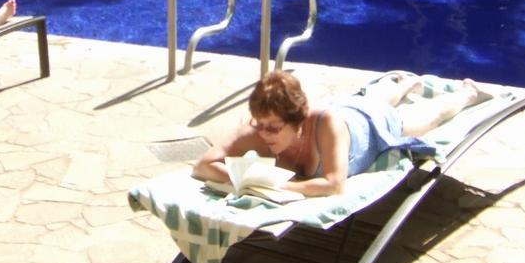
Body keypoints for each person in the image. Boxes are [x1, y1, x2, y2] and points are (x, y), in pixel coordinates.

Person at [193, 70, 489, 197]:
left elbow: (334, 185)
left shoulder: (327, 125)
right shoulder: (259, 127)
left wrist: (277, 187)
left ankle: (468, 93)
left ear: (298, 121)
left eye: (274, 128)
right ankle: (404, 85)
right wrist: (244, 179)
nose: (265, 134)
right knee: (369, 99)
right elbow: (203, 165)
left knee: (426, 118)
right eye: (260, 124)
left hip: (367, 126)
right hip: (346, 108)